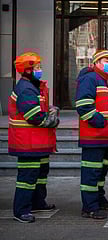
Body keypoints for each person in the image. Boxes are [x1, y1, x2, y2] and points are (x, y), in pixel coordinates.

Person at [9, 52, 59, 223]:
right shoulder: (26, 88)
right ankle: (21, 210)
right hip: (27, 143)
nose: (40, 70)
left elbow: (38, 109)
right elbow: (33, 116)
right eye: (37, 67)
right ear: (28, 70)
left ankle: (37, 202)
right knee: (27, 177)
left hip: (37, 142)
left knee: (40, 173)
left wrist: (49, 109)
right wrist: (52, 120)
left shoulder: (33, 86)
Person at [75, 49, 108, 219]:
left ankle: (99, 198)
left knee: (102, 170)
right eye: (106, 60)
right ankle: (89, 207)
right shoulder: (90, 79)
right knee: (92, 172)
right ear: (96, 63)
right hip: (94, 136)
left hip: (107, 136)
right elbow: (83, 105)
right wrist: (100, 122)